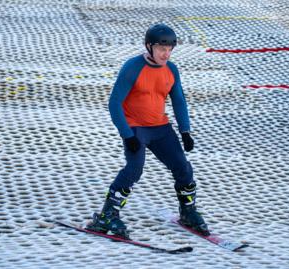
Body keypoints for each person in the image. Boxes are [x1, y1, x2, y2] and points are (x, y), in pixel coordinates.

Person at [86, 23, 209, 239]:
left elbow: (179, 101)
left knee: (183, 167)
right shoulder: (132, 67)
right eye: (162, 49)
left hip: (160, 128)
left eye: (170, 49)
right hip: (136, 128)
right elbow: (114, 103)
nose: (166, 54)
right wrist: (127, 134)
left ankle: (188, 212)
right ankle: (106, 216)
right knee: (134, 169)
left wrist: (185, 131)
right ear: (149, 46)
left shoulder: (171, 69)